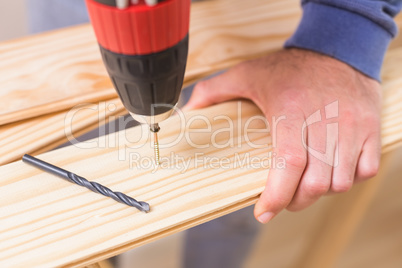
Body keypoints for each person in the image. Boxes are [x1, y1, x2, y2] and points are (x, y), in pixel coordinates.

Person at [26, 0, 402, 267]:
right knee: (84, 201)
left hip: (250, 12)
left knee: (239, 188)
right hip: (78, 11)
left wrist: (344, 33)